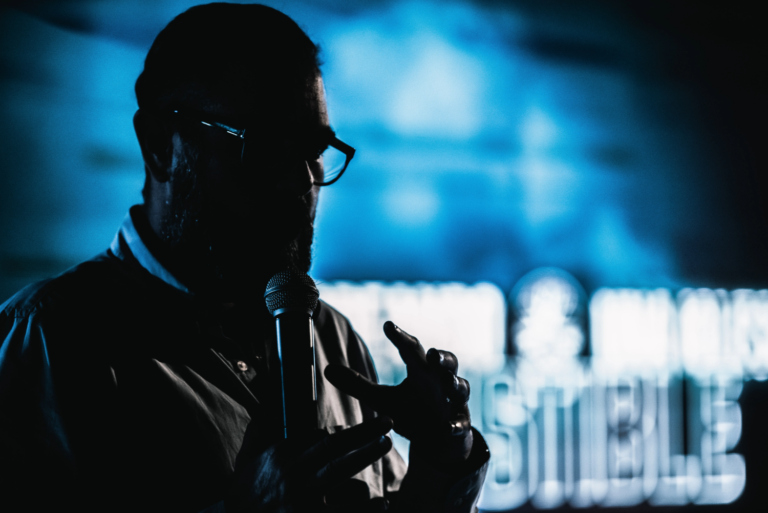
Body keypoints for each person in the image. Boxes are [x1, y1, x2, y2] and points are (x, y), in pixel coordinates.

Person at [0, 3, 489, 512]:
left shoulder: (334, 342)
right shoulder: (50, 346)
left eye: (314, 151)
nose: (301, 182)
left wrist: (442, 460)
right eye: (266, 147)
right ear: (160, 145)